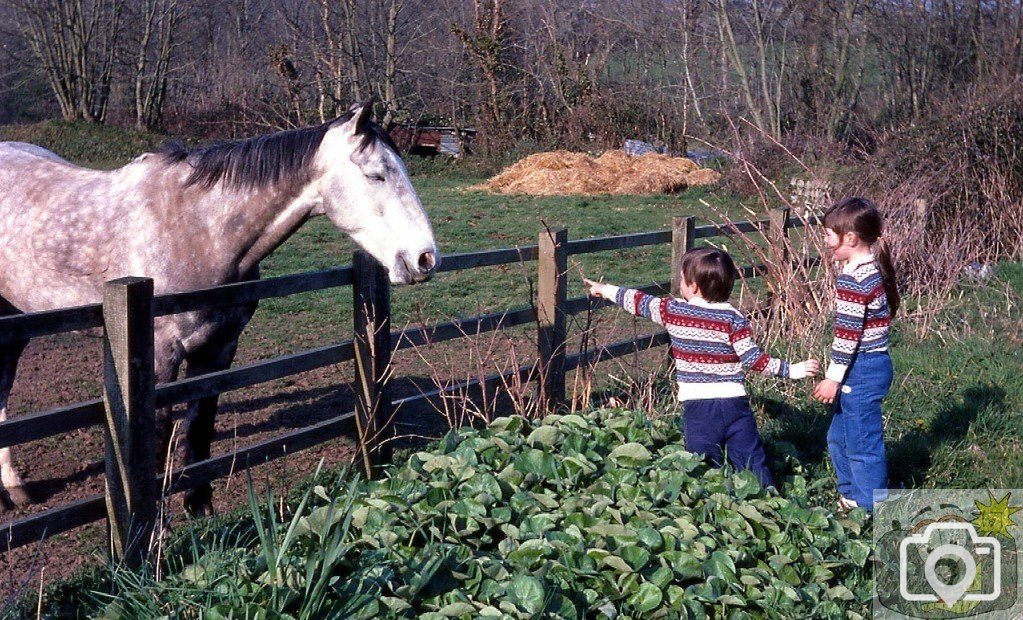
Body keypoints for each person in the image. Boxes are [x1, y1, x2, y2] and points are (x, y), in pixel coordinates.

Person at [585, 247, 818, 488]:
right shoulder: (734, 318)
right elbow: (752, 359)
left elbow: (638, 301)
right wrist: (793, 370)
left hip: (699, 405)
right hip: (734, 402)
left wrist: (605, 290)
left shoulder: (674, 312)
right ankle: (768, 503)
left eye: (682, 280)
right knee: (751, 460)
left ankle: (709, 508)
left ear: (693, 286)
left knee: (702, 463)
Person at [813, 197, 899, 513]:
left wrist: (833, 378)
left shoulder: (854, 277)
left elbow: (848, 336)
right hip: (866, 365)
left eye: (827, 235)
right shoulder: (867, 268)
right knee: (839, 435)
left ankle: (867, 507)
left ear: (850, 238)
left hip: (861, 367)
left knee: (863, 443)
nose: (824, 241)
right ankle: (850, 493)